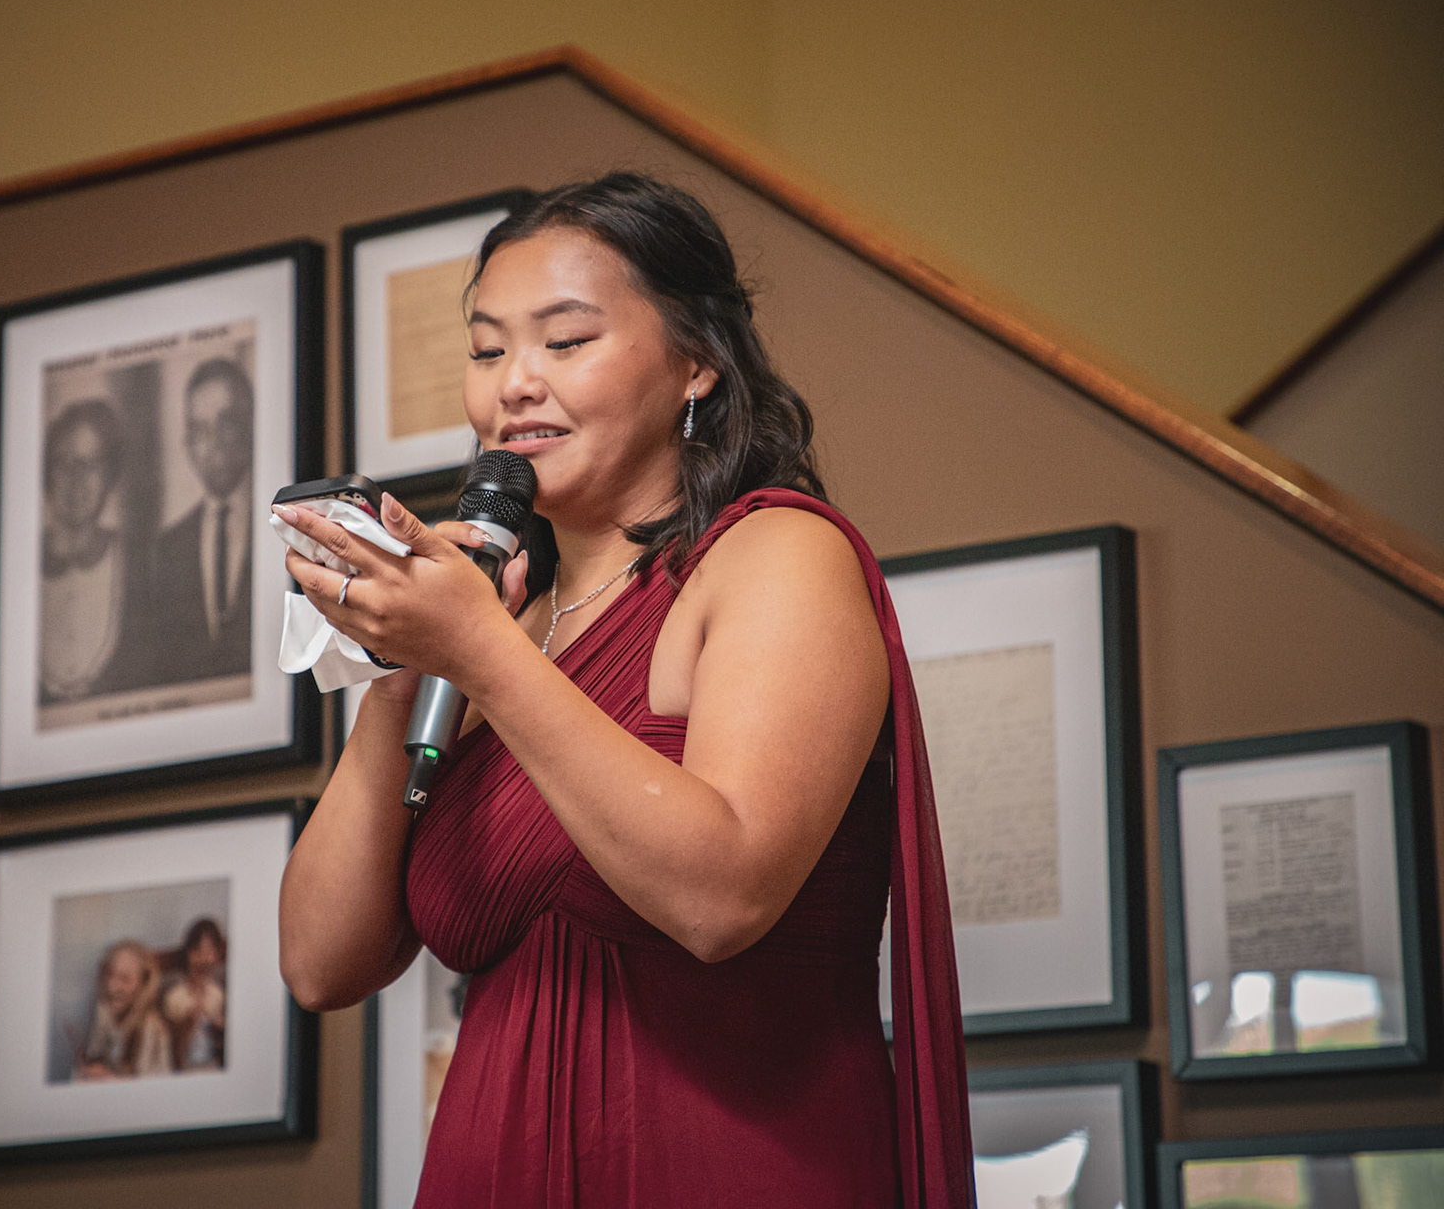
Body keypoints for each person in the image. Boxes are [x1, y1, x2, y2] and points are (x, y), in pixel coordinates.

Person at [276, 173, 973, 1206]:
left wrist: (482, 653)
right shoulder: (500, 620)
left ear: (697, 361)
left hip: (734, 1164)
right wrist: (406, 667)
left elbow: (721, 898)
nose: (515, 384)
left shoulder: (777, 554)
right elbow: (319, 964)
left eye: (565, 341)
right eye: (486, 351)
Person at [152, 357, 253, 685]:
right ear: (187, 446)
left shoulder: (287, 523)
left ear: (249, 426)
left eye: (226, 423)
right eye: (199, 430)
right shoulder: (169, 549)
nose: (213, 443)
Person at [39, 398, 129, 702]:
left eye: (89, 465)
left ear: (109, 477)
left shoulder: (137, 565)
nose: (75, 479)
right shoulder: (19, 568)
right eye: (63, 463)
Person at [73, 939, 169, 1081]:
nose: (112, 987)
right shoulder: (105, 1016)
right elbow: (93, 1059)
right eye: (109, 975)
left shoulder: (152, 1028)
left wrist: (108, 1078)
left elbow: (153, 1086)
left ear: (143, 984)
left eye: (125, 979)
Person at [161, 917, 228, 1072]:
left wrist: (220, 1026)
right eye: (197, 951)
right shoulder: (174, 995)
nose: (204, 959)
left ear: (218, 954)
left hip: (214, 1068)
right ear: (188, 953)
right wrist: (185, 1025)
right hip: (184, 1070)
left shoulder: (218, 993)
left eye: (210, 951)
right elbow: (167, 1044)